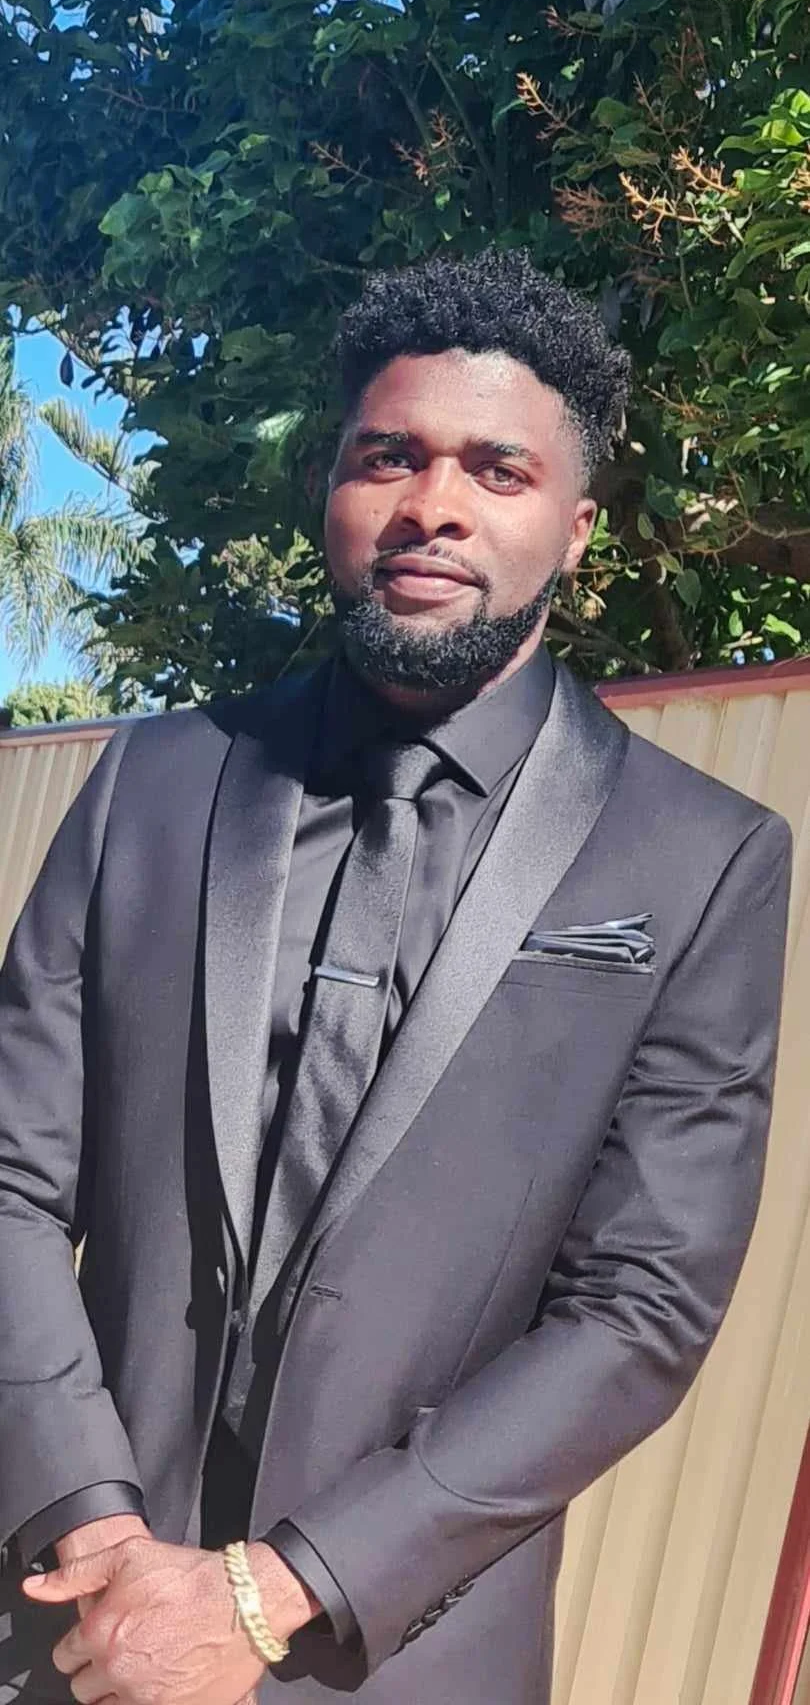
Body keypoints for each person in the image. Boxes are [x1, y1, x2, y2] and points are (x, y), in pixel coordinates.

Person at [0, 248, 790, 1705]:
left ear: (574, 528)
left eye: (498, 469)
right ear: (333, 489)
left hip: (398, 1652)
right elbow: (9, 1178)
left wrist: (275, 1589)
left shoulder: (697, 861)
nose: (434, 504)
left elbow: (639, 1306)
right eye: (390, 456)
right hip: (74, 1619)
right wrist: (93, 1528)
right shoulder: (152, 789)